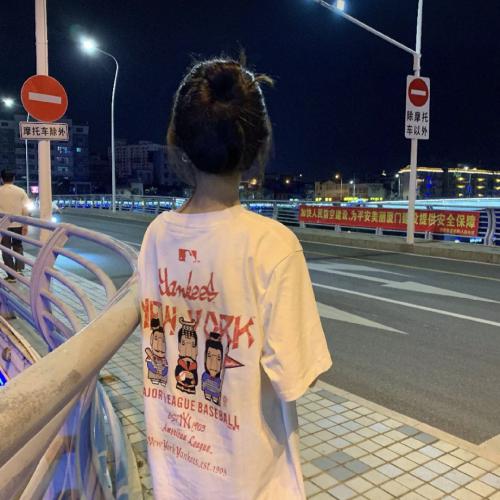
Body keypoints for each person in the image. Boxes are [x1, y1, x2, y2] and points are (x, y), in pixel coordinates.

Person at [138, 57, 332, 500]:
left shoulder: (156, 236)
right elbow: (296, 376)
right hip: (253, 484)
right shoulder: (273, 245)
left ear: (178, 141)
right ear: (257, 146)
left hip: (176, 479)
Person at [0, 170, 29, 282]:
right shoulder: (20, 191)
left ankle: (11, 276)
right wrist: (25, 225)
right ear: (13, 179)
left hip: (3, 225)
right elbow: (26, 208)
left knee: (5, 249)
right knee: (18, 246)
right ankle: (19, 270)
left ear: (1, 179)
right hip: (18, 224)